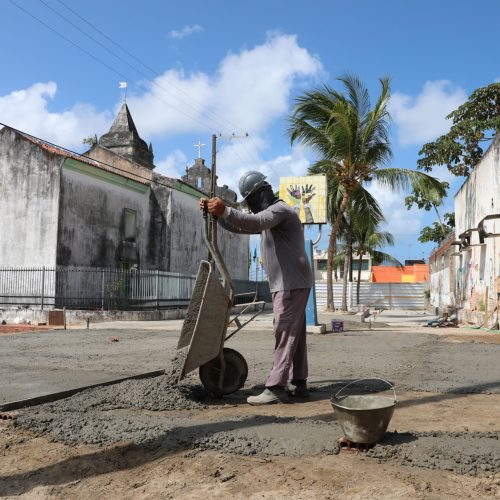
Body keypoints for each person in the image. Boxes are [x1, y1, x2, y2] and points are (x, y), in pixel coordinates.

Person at [199, 171, 313, 405]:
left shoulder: (278, 211)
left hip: (290, 284)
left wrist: (226, 210)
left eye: (251, 200)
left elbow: (255, 221)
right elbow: (242, 227)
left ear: (262, 193)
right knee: (295, 334)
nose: (250, 206)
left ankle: (276, 387)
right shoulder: (269, 218)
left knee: (284, 331)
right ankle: (298, 382)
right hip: (292, 282)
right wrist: (217, 216)